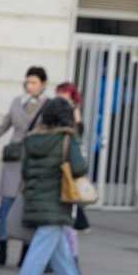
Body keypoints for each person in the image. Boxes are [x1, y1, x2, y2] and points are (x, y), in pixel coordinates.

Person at [8, 98, 90, 275]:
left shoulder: (32, 138)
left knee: (60, 250)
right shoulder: (66, 138)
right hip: (55, 203)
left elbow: (25, 172)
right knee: (37, 254)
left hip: (35, 200)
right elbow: (80, 168)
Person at [0, 66, 48, 266]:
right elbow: (4, 126)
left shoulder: (48, 105)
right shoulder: (16, 102)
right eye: (27, 82)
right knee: (6, 205)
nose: (29, 86)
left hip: (35, 161)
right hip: (14, 161)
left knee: (27, 208)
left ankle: (25, 253)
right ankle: (2, 249)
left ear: (43, 85)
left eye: (34, 82)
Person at [55, 81, 91, 235]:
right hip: (62, 155)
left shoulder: (73, 111)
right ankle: (80, 222)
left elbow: (78, 131)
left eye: (64, 95)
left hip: (69, 157)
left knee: (71, 190)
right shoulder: (57, 109)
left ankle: (80, 222)